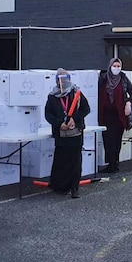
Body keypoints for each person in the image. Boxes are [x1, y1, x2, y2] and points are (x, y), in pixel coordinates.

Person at [45, 69, 91, 198]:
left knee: (75, 162)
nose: (62, 82)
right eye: (60, 79)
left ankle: (74, 188)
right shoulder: (52, 96)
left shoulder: (76, 93)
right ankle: (60, 186)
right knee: (61, 161)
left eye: (65, 79)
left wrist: (74, 119)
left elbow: (86, 109)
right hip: (61, 134)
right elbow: (48, 114)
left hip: (75, 133)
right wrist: (59, 123)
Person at [98, 58, 132, 173]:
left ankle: (114, 164)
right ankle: (110, 163)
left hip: (119, 115)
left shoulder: (123, 79)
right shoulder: (103, 78)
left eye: (118, 66)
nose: (116, 68)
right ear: (110, 66)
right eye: (114, 66)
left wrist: (129, 102)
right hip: (105, 115)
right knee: (107, 139)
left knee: (116, 139)